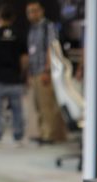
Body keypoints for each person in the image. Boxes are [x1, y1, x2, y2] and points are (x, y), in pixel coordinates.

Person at [0, 3, 27, 146]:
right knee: (17, 110)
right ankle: (18, 137)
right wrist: (22, 74)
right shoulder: (19, 35)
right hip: (15, 78)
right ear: (13, 18)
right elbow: (24, 58)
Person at [26, 0, 66, 144]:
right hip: (35, 71)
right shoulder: (33, 29)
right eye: (29, 12)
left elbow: (52, 48)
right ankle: (43, 132)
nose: (32, 14)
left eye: (35, 11)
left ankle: (51, 134)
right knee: (39, 105)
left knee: (48, 104)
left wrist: (47, 70)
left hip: (45, 71)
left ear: (41, 11)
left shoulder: (48, 27)